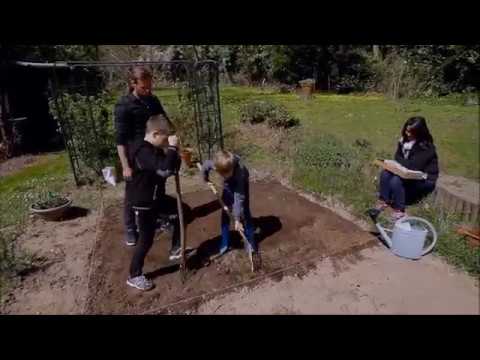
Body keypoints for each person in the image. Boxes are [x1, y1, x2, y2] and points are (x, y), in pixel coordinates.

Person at [114, 66, 169, 246]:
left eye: (150, 87)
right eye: (144, 88)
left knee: (159, 186)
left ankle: (158, 217)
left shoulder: (153, 100)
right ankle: (131, 228)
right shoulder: (124, 106)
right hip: (136, 155)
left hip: (155, 151)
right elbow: (120, 140)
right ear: (133, 84)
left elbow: (163, 122)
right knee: (133, 193)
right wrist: (125, 166)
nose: (148, 91)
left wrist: (170, 145)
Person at [126, 114, 181, 291]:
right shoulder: (142, 151)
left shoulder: (154, 149)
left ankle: (176, 249)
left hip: (156, 198)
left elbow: (170, 167)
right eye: (165, 137)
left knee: (180, 212)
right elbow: (164, 169)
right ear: (156, 133)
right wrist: (172, 148)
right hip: (143, 202)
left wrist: (175, 153)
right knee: (146, 239)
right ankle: (134, 275)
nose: (167, 140)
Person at [368, 116, 439, 222]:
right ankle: (384, 200)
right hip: (407, 172)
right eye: (406, 130)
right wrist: (400, 163)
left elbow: (414, 166)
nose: (408, 134)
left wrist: (402, 163)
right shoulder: (403, 141)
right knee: (385, 174)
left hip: (424, 178)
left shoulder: (427, 147)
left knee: (396, 180)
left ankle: (399, 210)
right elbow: (397, 156)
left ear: (420, 132)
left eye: (411, 132)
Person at [201, 150, 257, 256]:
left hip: (241, 184)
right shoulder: (216, 164)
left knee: (244, 212)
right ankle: (225, 243)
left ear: (231, 169)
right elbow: (205, 166)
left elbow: (238, 199)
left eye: (227, 174)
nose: (224, 176)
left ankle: (251, 243)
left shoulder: (239, 173)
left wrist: (237, 219)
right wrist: (205, 178)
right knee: (225, 210)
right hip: (228, 184)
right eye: (223, 175)